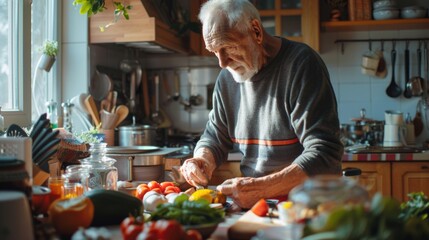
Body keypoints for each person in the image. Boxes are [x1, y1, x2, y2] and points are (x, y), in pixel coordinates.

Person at [180, 0, 344, 209]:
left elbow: (324, 153)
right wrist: (201, 160)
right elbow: (214, 136)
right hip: (258, 204)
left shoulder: (301, 64)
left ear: (256, 31)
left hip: (308, 205)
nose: (222, 63)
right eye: (214, 51)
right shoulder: (227, 78)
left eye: (228, 47)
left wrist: (261, 188)